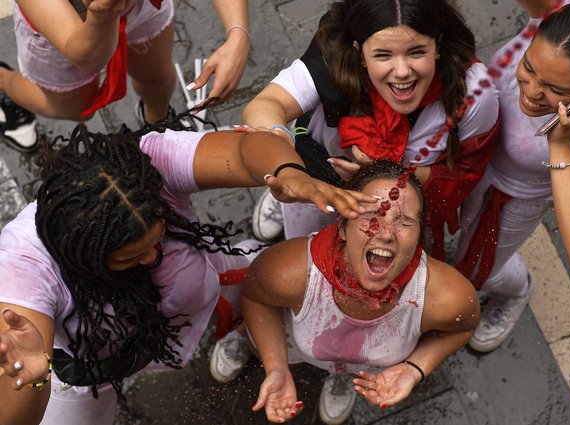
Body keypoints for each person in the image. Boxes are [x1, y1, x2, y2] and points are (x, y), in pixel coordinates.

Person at [0, 121, 374, 425]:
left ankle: (249, 334)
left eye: (158, 240)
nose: (150, 258)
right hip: (94, 371)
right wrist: (33, 378)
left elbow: (244, 153)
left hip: (204, 283)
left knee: (285, 280)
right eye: (130, 257)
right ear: (82, 257)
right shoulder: (24, 263)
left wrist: (289, 172)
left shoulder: (147, 163)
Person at [218, 161, 479, 424]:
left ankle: (344, 377)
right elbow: (255, 296)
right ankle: (245, 339)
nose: (386, 233)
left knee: (347, 370)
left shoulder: (443, 296)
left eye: (404, 220)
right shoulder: (292, 272)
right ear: (343, 227)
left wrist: (415, 369)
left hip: (364, 368)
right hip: (289, 342)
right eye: (370, 215)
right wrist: (275, 365)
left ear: (419, 236)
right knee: (257, 344)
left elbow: (463, 327)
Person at [245, 0, 500, 260]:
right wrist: (285, 164)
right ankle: (282, 202)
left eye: (416, 52)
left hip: (395, 211)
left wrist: (390, 172)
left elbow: (466, 175)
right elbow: (266, 105)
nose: (402, 72)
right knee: (305, 259)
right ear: (359, 51)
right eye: (383, 55)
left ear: (438, 45)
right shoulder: (333, 53)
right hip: (318, 182)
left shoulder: (474, 91)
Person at [455, 0, 570, 352]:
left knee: (479, 271)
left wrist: (562, 147)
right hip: (467, 162)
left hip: (512, 199)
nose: (532, 91)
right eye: (529, 68)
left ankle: (518, 290)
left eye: (556, 90)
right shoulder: (558, 16)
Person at [0, 0, 250, 151]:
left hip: (140, 9)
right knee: (78, 111)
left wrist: (238, 33)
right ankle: (3, 80)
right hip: (60, 32)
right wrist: (103, 16)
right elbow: (86, 58)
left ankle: (159, 122)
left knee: (156, 76)